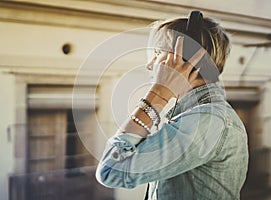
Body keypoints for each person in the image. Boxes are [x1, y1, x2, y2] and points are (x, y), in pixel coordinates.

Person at [96, 10, 249, 200]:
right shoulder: (194, 115)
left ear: (188, 60)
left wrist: (159, 92)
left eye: (158, 54)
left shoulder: (207, 121)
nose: (150, 65)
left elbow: (112, 171)